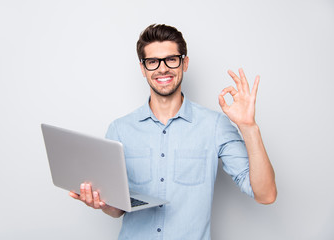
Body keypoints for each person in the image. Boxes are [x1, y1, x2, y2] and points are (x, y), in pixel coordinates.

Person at [69, 24, 277, 239]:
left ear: (184, 63)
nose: (162, 69)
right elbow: (117, 209)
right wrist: (102, 203)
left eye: (171, 59)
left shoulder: (215, 126)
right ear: (143, 68)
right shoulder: (120, 130)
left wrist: (248, 127)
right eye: (152, 62)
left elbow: (265, 194)